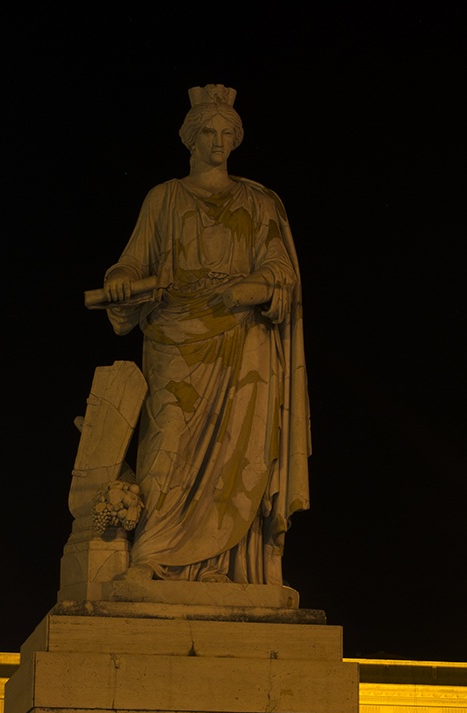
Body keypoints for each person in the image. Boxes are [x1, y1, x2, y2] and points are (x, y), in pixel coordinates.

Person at [101, 85, 309, 585]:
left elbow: (281, 270)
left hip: (241, 340)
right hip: (175, 334)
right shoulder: (164, 198)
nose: (218, 142)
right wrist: (120, 280)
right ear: (190, 140)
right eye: (209, 132)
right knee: (166, 438)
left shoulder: (258, 203)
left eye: (226, 133)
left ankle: (216, 564)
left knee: (234, 456)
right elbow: (133, 260)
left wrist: (249, 288)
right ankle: (152, 553)